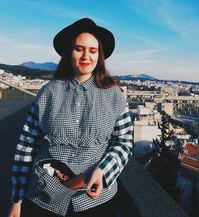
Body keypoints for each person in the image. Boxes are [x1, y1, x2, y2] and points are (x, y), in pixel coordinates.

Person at [8, 18, 134, 217]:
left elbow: (124, 143)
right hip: (43, 198)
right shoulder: (48, 92)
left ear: (99, 56)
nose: (86, 56)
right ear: (69, 53)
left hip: (95, 201)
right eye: (79, 49)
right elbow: (26, 147)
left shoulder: (115, 95)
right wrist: (16, 200)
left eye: (93, 51)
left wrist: (103, 171)